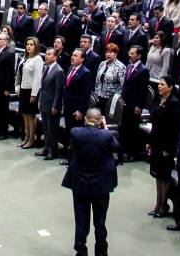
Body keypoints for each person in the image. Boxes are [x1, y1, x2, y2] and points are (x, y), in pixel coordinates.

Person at [62, 107, 119, 256]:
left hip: (80, 184)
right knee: (100, 223)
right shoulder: (107, 135)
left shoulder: (75, 133)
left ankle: (81, 251)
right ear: (100, 120)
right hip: (101, 186)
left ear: (85, 119)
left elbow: (72, 150)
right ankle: (101, 252)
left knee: (81, 222)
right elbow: (117, 147)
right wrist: (105, 128)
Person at [147, 75, 180, 218]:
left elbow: (173, 129)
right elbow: (153, 122)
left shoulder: (174, 103)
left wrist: (168, 148)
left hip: (166, 145)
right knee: (156, 175)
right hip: (155, 141)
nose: (159, 86)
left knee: (164, 176)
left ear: (170, 87)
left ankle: (163, 205)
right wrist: (149, 142)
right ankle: (158, 203)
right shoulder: (159, 100)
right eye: (159, 84)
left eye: (162, 84)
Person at [37, 46, 65, 160]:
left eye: (49, 54)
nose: (46, 56)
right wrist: (39, 100)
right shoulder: (46, 68)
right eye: (46, 54)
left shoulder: (58, 71)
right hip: (44, 102)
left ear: (55, 57)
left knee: (52, 130)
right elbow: (42, 87)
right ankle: (46, 148)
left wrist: (55, 105)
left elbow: (59, 91)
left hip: (52, 105)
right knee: (45, 128)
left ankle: (53, 151)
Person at [16, 36, 43, 150]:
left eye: (31, 44)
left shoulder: (38, 59)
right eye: (27, 44)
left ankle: (31, 139)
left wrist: (34, 94)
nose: (28, 46)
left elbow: (38, 78)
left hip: (31, 91)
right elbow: (18, 74)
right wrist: (17, 87)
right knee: (25, 115)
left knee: (31, 116)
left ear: (36, 46)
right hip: (23, 89)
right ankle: (26, 137)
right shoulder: (24, 58)